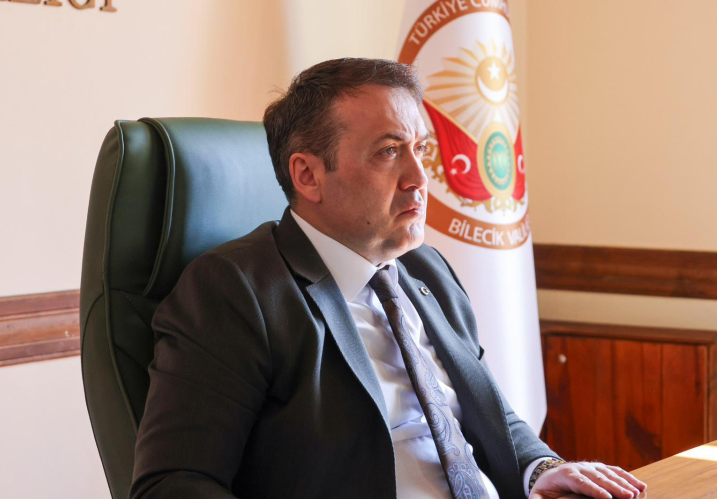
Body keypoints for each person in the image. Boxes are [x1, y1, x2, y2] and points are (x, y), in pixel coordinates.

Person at [129, 58, 646, 499]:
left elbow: (484, 412)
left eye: (421, 149)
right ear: (308, 175)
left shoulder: (426, 269)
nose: (420, 179)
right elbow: (173, 484)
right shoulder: (235, 290)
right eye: (389, 151)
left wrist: (543, 468)